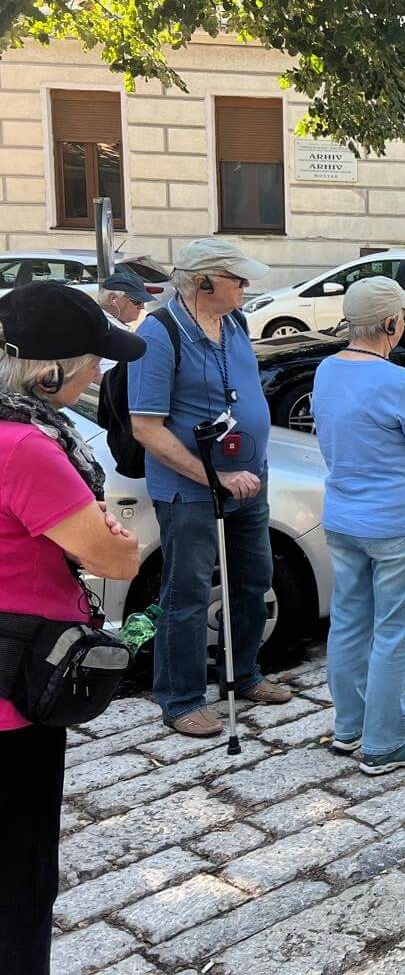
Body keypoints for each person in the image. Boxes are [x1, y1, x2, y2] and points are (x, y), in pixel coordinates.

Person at [0, 282, 141, 973]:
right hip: (14, 697)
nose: (100, 373)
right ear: (50, 373)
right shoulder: (26, 447)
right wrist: (108, 533)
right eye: (93, 361)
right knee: (20, 884)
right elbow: (114, 557)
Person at [128, 239, 291, 737]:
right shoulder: (160, 333)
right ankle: (181, 699)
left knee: (254, 580)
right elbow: (146, 427)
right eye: (237, 278)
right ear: (203, 282)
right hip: (192, 491)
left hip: (249, 480)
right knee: (188, 593)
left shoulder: (235, 321)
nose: (246, 286)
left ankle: (243, 674)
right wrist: (215, 477)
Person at [313, 277, 405, 775]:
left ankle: (350, 727)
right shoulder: (401, 382)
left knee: (349, 622)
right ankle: (385, 742)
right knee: (396, 630)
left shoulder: (326, 370)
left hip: (344, 516)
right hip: (402, 521)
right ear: (391, 324)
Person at [95, 267, 155, 375]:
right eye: (137, 301)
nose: (142, 307)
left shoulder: (108, 325)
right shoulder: (101, 330)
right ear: (113, 299)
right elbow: (97, 375)